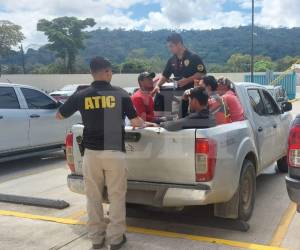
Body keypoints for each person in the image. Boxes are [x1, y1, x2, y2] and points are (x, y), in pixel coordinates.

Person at [56, 56, 146, 250]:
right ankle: (115, 239)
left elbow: (59, 115)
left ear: (91, 73)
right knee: (116, 196)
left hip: (92, 153)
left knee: (93, 197)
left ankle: (96, 239)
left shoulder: (82, 94)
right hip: (114, 152)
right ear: (107, 72)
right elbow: (136, 121)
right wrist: (146, 123)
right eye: (110, 71)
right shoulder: (120, 93)